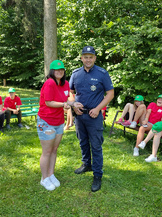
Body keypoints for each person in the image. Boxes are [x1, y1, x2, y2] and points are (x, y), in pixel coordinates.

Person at [69, 46, 114, 192]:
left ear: (94, 58)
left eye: (91, 57)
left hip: (94, 116)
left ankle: (97, 175)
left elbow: (110, 94)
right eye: (85, 57)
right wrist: (74, 105)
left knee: (96, 145)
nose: (88, 59)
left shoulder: (102, 73)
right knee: (82, 142)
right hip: (80, 115)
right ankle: (86, 164)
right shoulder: (75, 74)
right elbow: (70, 92)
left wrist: (98, 108)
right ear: (81, 58)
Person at [37, 60, 83, 191]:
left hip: (58, 122)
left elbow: (67, 99)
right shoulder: (49, 83)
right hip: (46, 121)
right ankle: (44, 178)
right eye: (57, 70)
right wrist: (64, 105)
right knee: (47, 151)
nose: (60, 71)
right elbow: (49, 102)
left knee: (54, 149)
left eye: (62, 70)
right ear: (52, 71)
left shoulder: (65, 84)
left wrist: (74, 104)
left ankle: (51, 174)